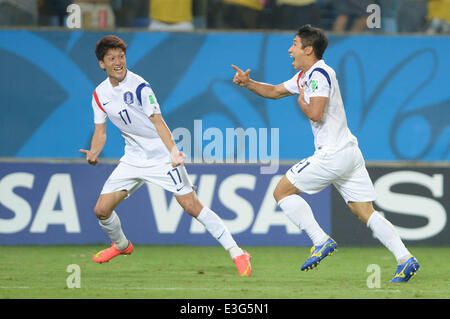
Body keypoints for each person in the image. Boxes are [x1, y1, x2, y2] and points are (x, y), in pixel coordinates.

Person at [231, 25, 420, 282]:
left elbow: (315, 113)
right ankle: (405, 259)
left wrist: (302, 103)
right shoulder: (306, 76)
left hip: (332, 154)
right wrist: (249, 83)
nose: (290, 50)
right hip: (348, 152)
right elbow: (275, 91)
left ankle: (320, 240)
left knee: (281, 192)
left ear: (308, 49)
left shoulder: (319, 74)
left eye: (294, 44)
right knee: (364, 210)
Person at [80, 35, 252, 277]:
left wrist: (173, 151)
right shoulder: (99, 94)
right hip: (133, 159)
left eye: (121, 56)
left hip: (162, 156)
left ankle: (237, 252)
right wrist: (94, 152)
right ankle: (121, 245)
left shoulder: (140, 86)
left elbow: (158, 121)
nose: (118, 62)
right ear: (102, 64)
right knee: (101, 210)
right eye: (112, 58)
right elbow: (100, 131)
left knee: (191, 206)